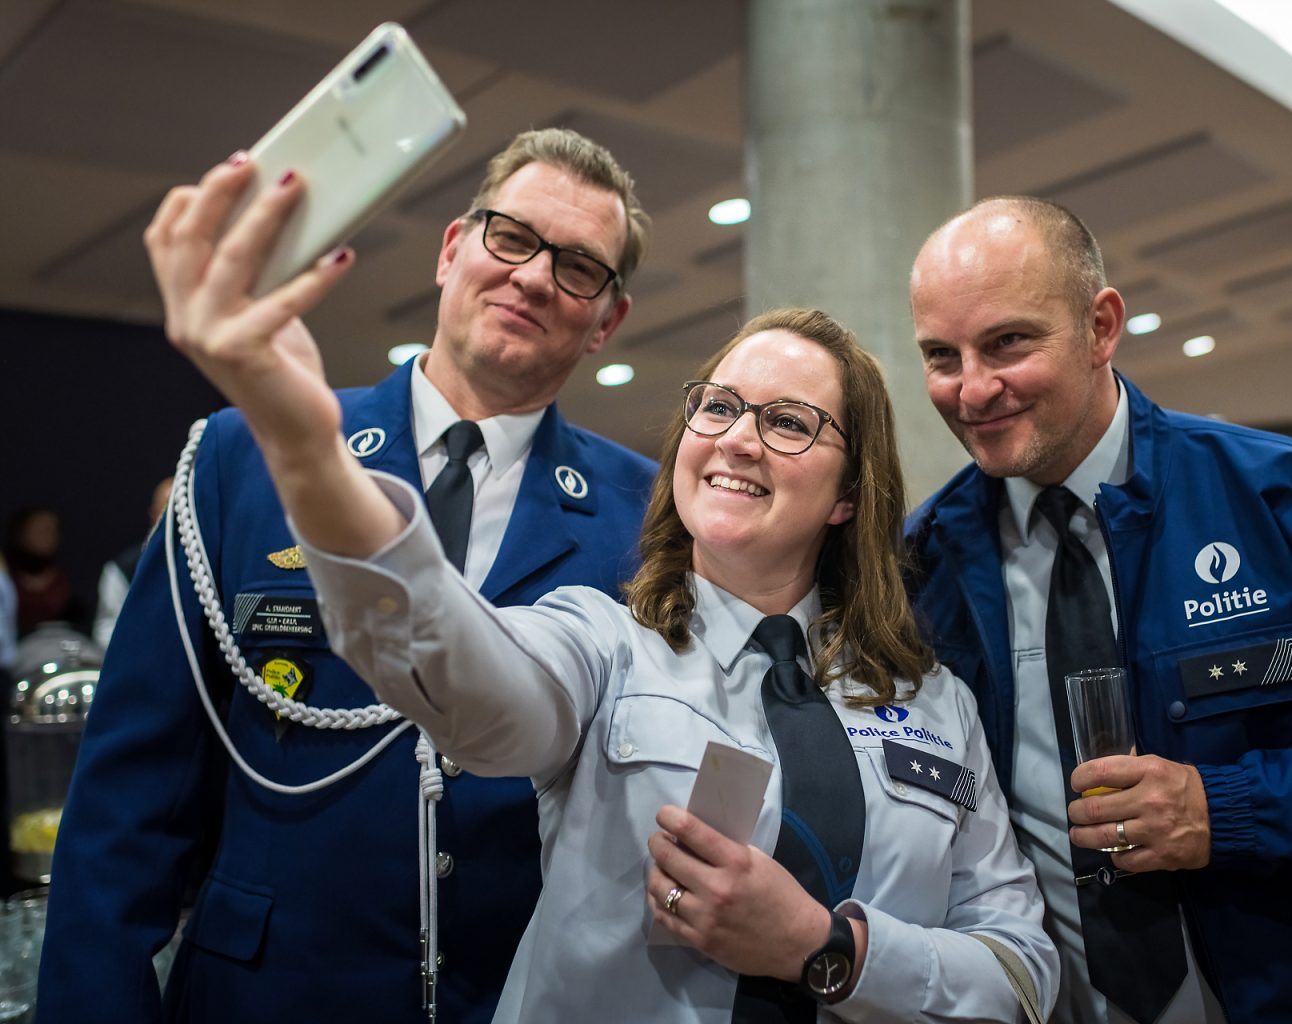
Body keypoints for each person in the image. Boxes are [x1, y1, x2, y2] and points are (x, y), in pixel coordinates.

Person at [144, 145, 1058, 1022]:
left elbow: (1023, 969)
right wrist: (313, 460)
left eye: (787, 421)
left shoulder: (934, 703)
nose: (738, 437)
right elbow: (472, 688)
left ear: (849, 493)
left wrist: (829, 951)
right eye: (720, 407)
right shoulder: (602, 638)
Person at [38, 128, 657, 1024]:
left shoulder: (644, 517)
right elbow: (130, 799)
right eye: (510, 237)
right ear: (453, 250)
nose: (531, 276)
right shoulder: (246, 455)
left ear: (608, 321)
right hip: (267, 996)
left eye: (578, 268)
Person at [904, 196, 1292, 1024]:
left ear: (1101, 327)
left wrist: (1228, 808)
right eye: (941, 356)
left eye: (1009, 342)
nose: (974, 388)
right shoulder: (927, 561)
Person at [91, 476, 173, 648]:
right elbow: (107, 631)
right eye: (167, 508)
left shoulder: (212, 564)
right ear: (153, 513)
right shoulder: (125, 567)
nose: (174, 517)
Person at [3, 507, 84, 636]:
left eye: (52, 531)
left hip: (65, 640)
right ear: (20, 534)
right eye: (40, 530)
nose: (48, 537)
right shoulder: (5, 576)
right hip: (24, 647)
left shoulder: (65, 576)